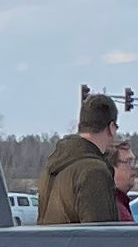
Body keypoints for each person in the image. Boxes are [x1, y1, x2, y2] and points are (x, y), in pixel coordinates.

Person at [38, 92, 129, 224]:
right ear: (111, 127)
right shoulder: (94, 172)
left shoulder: (53, 167)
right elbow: (102, 237)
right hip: (76, 245)